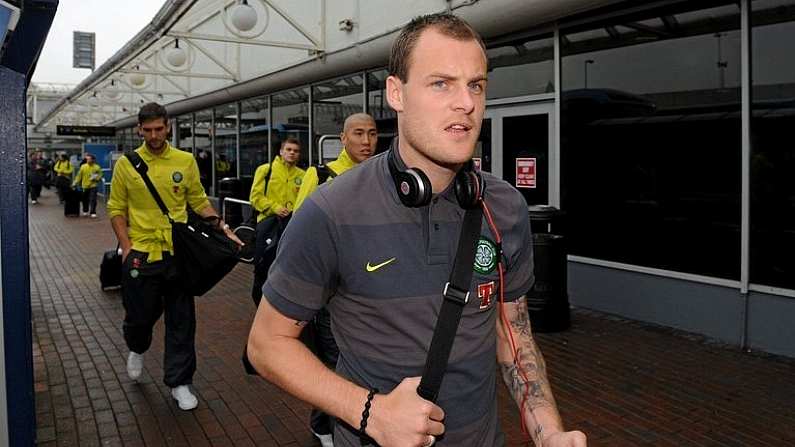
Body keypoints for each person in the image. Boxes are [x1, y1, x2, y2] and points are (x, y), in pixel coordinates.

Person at [247, 13, 587, 447]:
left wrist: (549, 432)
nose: (465, 102)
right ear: (396, 93)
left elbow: (513, 337)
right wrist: (370, 412)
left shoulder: (505, 208)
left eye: (476, 85)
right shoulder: (331, 211)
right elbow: (267, 343)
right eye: (441, 83)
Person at [107, 102, 242, 411]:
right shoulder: (127, 164)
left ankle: (180, 382)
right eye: (148, 130)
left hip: (179, 254)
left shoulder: (185, 160)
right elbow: (116, 209)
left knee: (182, 321)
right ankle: (137, 346)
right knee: (140, 317)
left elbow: (198, 201)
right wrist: (126, 247)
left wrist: (222, 226)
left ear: (168, 126)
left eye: (159, 129)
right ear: (140, 130)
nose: (154, 135)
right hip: (142, 253)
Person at [292, 113, 378, 446]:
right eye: (358, 133)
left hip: (369, 288)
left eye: (372, 134)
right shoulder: (322, 175)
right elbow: (300, 233)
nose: (366, 141)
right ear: (343, 139)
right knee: (334, 359)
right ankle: (324, 424)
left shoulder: (380, 176)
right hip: (332, 291)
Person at [248, 138, 305, 305]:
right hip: (268, 224)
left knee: (287, 267)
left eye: (296, 150)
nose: (292, 153)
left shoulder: (302, 175)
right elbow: (255, 197)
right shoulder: (266, 170)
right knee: (263, 266)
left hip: (291, 226)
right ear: (281, 151)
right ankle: (260, 302)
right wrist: (274, 207)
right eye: (288, 149)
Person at [72, 153, 103, 218]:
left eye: (89, 159)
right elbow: (79, 176)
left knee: (93, 199)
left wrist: (96, 178)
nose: (87, 160)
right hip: (84, 186)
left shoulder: (97, 167)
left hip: (93, 185)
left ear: (93, 160)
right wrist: (75, 182)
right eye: (87, 159)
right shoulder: (83, 166)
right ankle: (85, 210)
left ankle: (93, 212)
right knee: (84, 199)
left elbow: (100, 175)